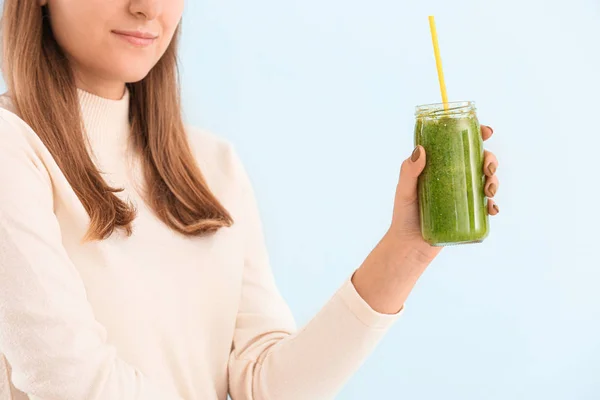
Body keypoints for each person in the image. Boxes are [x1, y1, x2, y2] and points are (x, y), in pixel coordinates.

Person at [0, 1, 500, 399]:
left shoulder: (212, 165)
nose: (149, 7)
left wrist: (408, 247)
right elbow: (69, 380)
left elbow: (263, 385)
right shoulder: (11, 145)